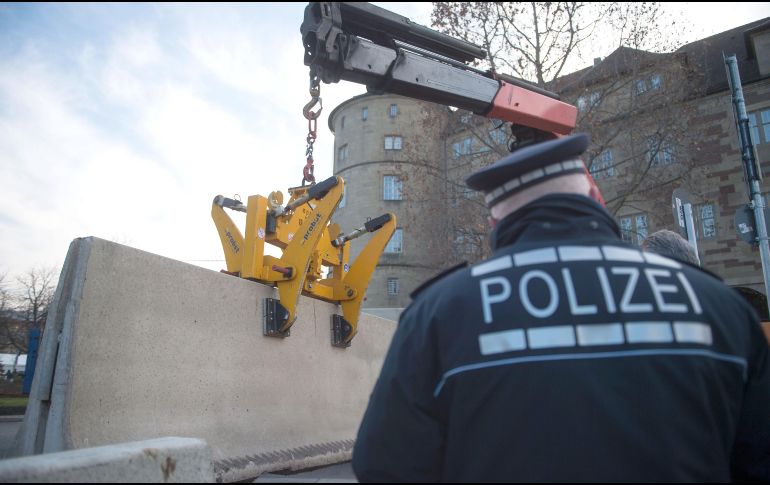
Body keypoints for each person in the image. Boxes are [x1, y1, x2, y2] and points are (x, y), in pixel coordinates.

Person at [352, 133, 770, 482]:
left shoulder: (440, 315)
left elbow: (384, 466)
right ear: (594, 196)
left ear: (496, 223)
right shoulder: (717, 306)